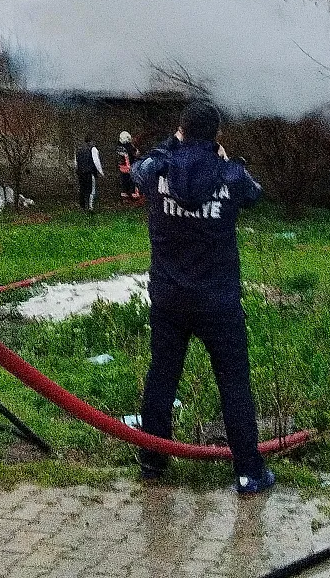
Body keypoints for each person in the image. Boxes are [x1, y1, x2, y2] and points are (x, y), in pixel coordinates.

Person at [131, 101, 275, 495]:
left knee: (162, 377)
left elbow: (138, 172)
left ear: (180, 130)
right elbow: (254, 195)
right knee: (234, 384)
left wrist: (172, 144)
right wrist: (220, 157)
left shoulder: (156, 169)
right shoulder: (231, 174)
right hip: (219, 301)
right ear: (218, 135)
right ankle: (249, 473)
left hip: (169, 299)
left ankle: (152, 463)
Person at [74, 135, 103, 213]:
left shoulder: (79, 149)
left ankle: (82, 206)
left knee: (82, 189)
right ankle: (90, 207)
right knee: (91, 190)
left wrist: (78, 169)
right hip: (90, 172)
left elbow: (76, 162)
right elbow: (96, 162)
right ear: (92, 141)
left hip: (81, 173)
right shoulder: (93, 149)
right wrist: (101, 172)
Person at [116, 130, 141, 203]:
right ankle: (135, 196)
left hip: (122, 168)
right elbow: (135, 154)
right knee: (133, 182)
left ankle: (124, 197)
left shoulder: (119, 147)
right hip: (130, 167)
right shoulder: (129, 147)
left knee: (124, 182)